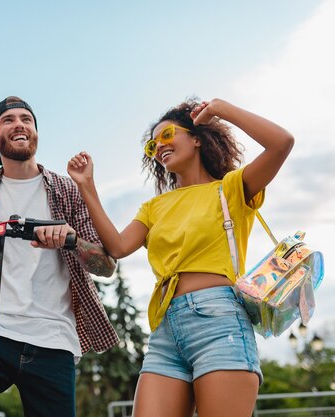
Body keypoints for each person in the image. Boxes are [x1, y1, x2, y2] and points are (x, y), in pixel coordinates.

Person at [67, 98, 294, 417]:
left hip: (219, 320)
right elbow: (117, 247)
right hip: (165, 328)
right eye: (152, 146)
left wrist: (219, 109)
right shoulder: (153, 207)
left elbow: (281, 143)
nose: (159, 147)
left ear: (197, 137)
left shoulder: (229, 189)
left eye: (167, 135)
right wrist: (86, 186)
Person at [0, 96, 119, 417]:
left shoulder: (67, 190)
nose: (20, 124)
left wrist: (71, 241)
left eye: (27, 119)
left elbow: (106, 266)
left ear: (35, 133)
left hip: (54, 337)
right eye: (8, 119)